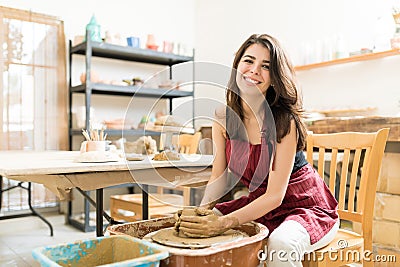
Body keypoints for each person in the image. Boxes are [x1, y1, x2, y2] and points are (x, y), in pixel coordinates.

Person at [178, 34, 339, 266]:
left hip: (303, 206)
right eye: (248, 61)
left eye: (266, 66)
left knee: (280, 244)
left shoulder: (284, 122)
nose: (254, 70)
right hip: (260, 203)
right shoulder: (222, 117)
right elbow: (219, 178)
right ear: (237, 66)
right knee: (193, 228)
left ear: (274, 78)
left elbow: (275, 196)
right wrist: (201, 213)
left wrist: (223, 223)